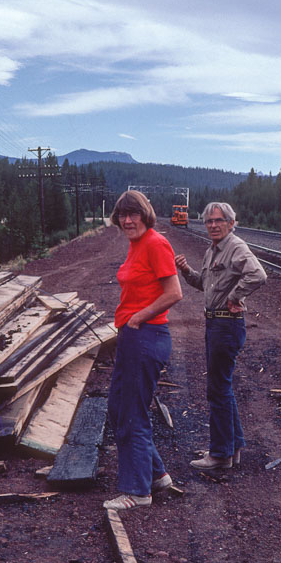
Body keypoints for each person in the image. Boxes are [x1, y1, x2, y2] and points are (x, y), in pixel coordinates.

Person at [104, 190, 183, 510]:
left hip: (145, 336)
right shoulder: (136, 245)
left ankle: (138, 492)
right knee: (118, 407)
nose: (127, 220)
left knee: (131, 412)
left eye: (132, 214)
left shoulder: (155, 243)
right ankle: (156, 474)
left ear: (144, 214)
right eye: (122, 215)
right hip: (133, 335)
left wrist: (137, 317)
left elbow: (174, 292)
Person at [175, 202, 266, 470]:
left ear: (230, 223)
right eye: (208, 221)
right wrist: (186, 271)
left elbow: (258, 275)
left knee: (218, 389)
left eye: (218, 220)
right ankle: (232, 447)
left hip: (226, 325)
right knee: (222, 387)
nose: (213, 225)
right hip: (216, 324)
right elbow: (205, 285)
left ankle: (220, 454)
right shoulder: (212, 251)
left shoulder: (235, 246)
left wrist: (236, 296)